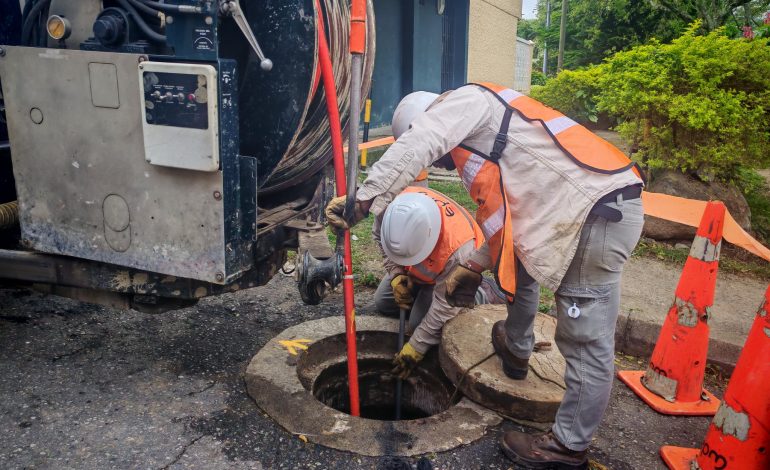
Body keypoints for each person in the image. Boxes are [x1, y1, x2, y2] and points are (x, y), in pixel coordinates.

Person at [326, 83, 644, 469]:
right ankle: (516, 347)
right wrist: (474, 266)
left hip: (595, 214)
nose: (441, 166)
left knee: (584, 342)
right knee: (522, 268)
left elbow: (422, 141)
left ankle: (566, 447)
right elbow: (509, 228)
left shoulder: (465, 103)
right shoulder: (496, 145)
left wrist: (363, 197)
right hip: (580, 207)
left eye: (441, 158)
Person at [373, 186, 495, 379]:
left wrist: (416, 346)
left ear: (430, 236)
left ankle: (480, 293)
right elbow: (379, 239)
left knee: (418, 324)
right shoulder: (391, 211)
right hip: (419, 272)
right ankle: (422, 296)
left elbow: (445, 306)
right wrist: (396, 273)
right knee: (383, 302)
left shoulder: (460, 251)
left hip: (452, 281)